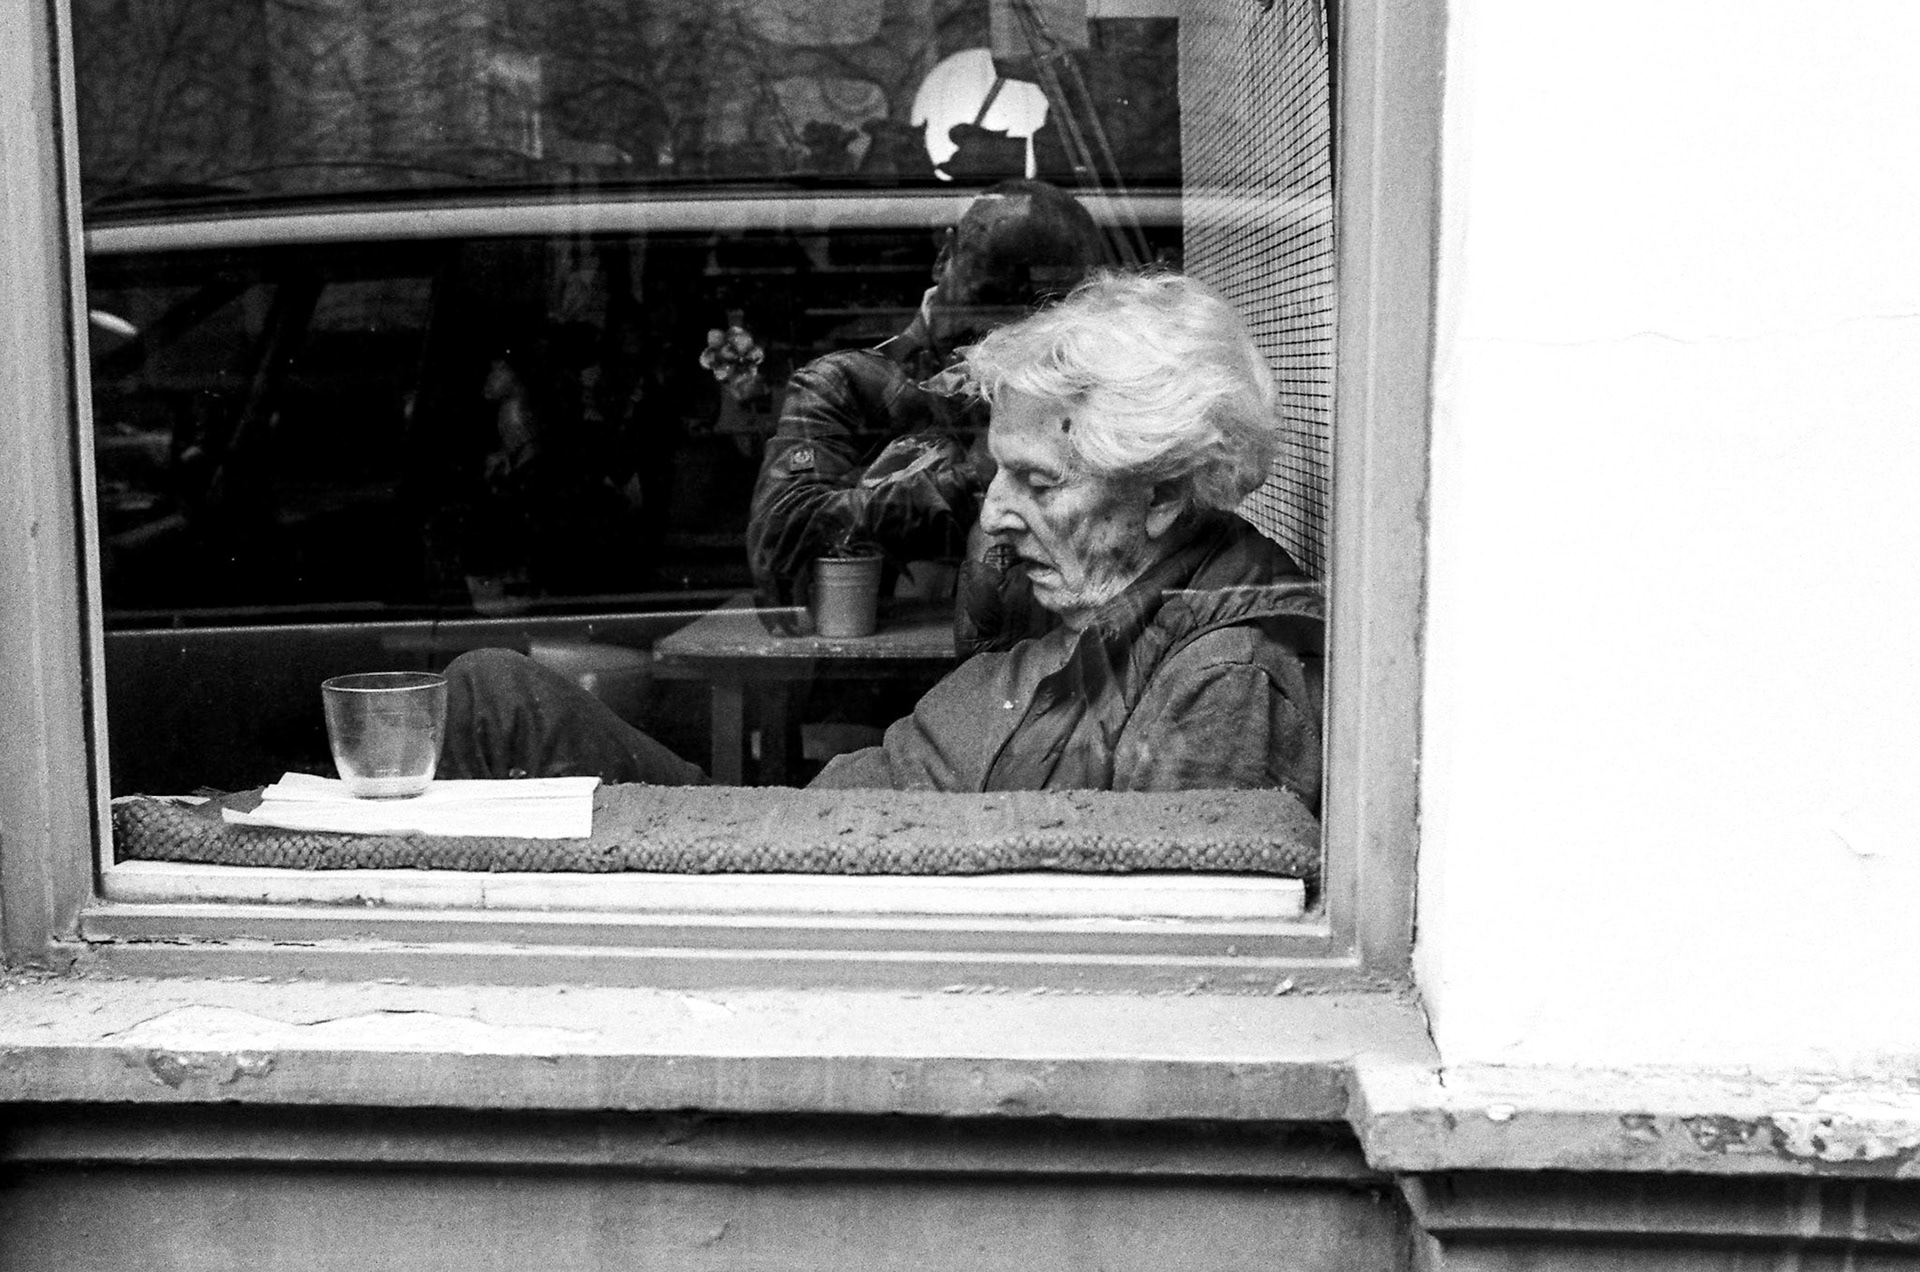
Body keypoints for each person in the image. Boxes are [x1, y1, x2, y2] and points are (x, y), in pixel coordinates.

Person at [439, 270, 1324, 807]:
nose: (994, 513)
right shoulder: (1106, 574)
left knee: (490, 702)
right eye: (999, 473)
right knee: (492, 693)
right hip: (809, 826)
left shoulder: (1225, 683)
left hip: (821, 886)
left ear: (1162, 494)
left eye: (1038, 482)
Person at [744, 178, 1108, 636]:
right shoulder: (845, 383)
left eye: (1040, 312)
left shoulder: (1089, 395)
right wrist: (974, 476)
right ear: (943, 257)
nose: (1006, 327)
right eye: (989, 298)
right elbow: (782, 531)